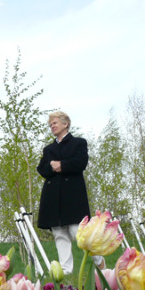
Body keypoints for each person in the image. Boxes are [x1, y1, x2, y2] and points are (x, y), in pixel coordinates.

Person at [36, 111, 96, 276]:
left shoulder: (78, 143)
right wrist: (52, 167)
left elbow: (81, 162)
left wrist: (61, 165)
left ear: (65, 124)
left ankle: (99, 262)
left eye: (55, 123)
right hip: (53, 197)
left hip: (73, 196)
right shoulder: (48, 149)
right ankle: (66, 271)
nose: (52, 126)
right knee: (59, 233)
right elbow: (41, 169)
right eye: (50, 125)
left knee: (80, 233)